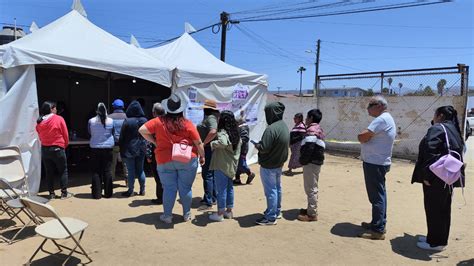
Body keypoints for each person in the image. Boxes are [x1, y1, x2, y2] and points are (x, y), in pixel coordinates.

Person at [139, 93, 205, 224]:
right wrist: (202, 156)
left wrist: (154, 141)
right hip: (187, 159)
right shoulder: (187, 123)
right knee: (185, 188)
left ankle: (167, 216)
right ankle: (187, 214)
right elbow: (198, 142)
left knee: (169, 188)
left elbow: (142, 130)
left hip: (164, 159)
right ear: (181, 109)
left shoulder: (158, 122)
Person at [412, 106, 465, 251]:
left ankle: (435, 243)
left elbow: (430, 152)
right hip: (448, 176)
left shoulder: (438, 128)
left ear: (440, 115)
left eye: (434, 115)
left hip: (436, 177)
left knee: (434, 209)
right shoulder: (453, 129)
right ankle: (436, 238)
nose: (433, 118)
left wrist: (427, 176)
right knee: (443, 208)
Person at [357, 96, 396, 240]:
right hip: (378, 162)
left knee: (376, 197)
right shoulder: (385, 118)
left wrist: (362, 136)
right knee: (380, 195)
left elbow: (362, 136)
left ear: (379, 105)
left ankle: (378, 229)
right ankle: (378, 223)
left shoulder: (381, 119)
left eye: (370, 105)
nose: (368, 108)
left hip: (375, 163)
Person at [253, 102, 290, 225]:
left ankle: (270, 217)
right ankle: (277, 211)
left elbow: (264, 148)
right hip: (279, 163)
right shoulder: (283, 126)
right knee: (277, 188)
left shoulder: (271, 129)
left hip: (269, 165)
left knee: (271, 191)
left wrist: (257, 145)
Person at [208, 111, 242, 222]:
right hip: (231, 166)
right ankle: (228, 211)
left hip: (222, 165)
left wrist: (212, 144)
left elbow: (222, 142)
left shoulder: (222, 132)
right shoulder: (235, 132)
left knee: (221, 190)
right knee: (229, 188)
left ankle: (220, 213)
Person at [36, 101, 72, 200]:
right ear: (51, 109)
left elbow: (40, 136)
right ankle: (64, 193)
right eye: (55, 108)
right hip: (58, 148)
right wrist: (64, 145)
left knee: (49, 172)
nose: (56, 110)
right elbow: (65, 134)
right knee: (63, 170)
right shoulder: (59, 119)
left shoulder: (39, 122)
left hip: (45, 149)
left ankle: (51, 194)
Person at [297, 109, 325, 222]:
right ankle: (310, 208)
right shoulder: (319, 129)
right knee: (312, 186)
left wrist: (302, 160)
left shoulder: (311, 131)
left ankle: (312, 214)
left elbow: (309, 148)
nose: (305, 120)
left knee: (311, 188)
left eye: (307, 117)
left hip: (311, 162)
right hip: (316, 162)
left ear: (311, 118)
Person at [119, 100, 148, 197]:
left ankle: (130, 191)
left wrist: (121, 149)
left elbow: (122, 137)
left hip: (129, 149)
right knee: (140, 170)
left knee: (131, 170)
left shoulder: (127, 121)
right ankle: (142, 190)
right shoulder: (144, 120)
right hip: (142, 148)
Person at [196, 99, 220, 211]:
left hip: (208, 149)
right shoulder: (210, 118)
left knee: (207, 175)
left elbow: (213, 131)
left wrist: (204, 143)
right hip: (209, 149)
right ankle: (213, 197)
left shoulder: (210, 119)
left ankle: (208, 201)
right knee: (210, 174)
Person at [88, 103, 115, 199]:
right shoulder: (111, 121)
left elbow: (89, 132)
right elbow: (113, 132)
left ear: (96, 111)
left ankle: (97, 194)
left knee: (96, 171)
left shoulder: (91, 121)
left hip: (95, 148)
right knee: (107, 170)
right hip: (108, 148)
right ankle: (108, 193)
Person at [146, 103, 165, 204]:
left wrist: (148, 155)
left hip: (156, 154)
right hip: (168, 154)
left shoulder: (153, 123)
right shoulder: (169, 122)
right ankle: (167, 197)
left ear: (154, 113)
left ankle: (160, 198)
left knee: (158, 176)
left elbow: (149, 142)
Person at [108, 99, 128, 184]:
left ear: (113, 106)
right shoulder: (127, 117)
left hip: (113, 144)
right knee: (126, 164)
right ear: (123, 107)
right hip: (125, 144)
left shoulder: (109, 117)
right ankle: (128, 182)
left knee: (112, 164)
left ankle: (110, 182)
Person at [233, 116, 255, 185]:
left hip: (242, 149)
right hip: (239, 148)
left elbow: (245, 138)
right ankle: (237, 179)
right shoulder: (241, 127)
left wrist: (239, 142)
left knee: (241, 164)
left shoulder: (242, 128)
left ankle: (250, 173)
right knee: (236, 163)